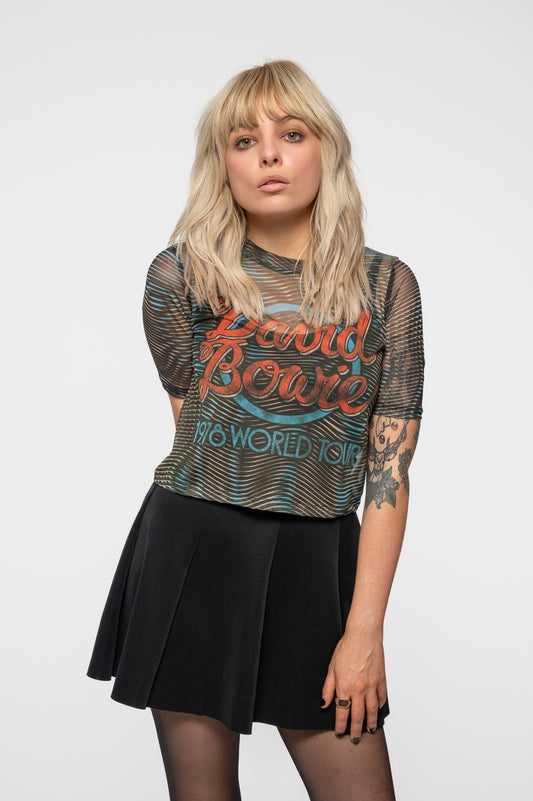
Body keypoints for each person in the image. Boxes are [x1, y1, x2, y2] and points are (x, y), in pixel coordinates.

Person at [87, 59, 424, 801]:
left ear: (325, 148)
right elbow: (196, 432)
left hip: (317, 560)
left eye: (291, 134)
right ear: (224, 165)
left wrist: (364, 629)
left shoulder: (385, 286)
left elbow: (389, 473)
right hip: (193, 552)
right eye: (244, 141)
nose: (269, 155)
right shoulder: (181, 277)